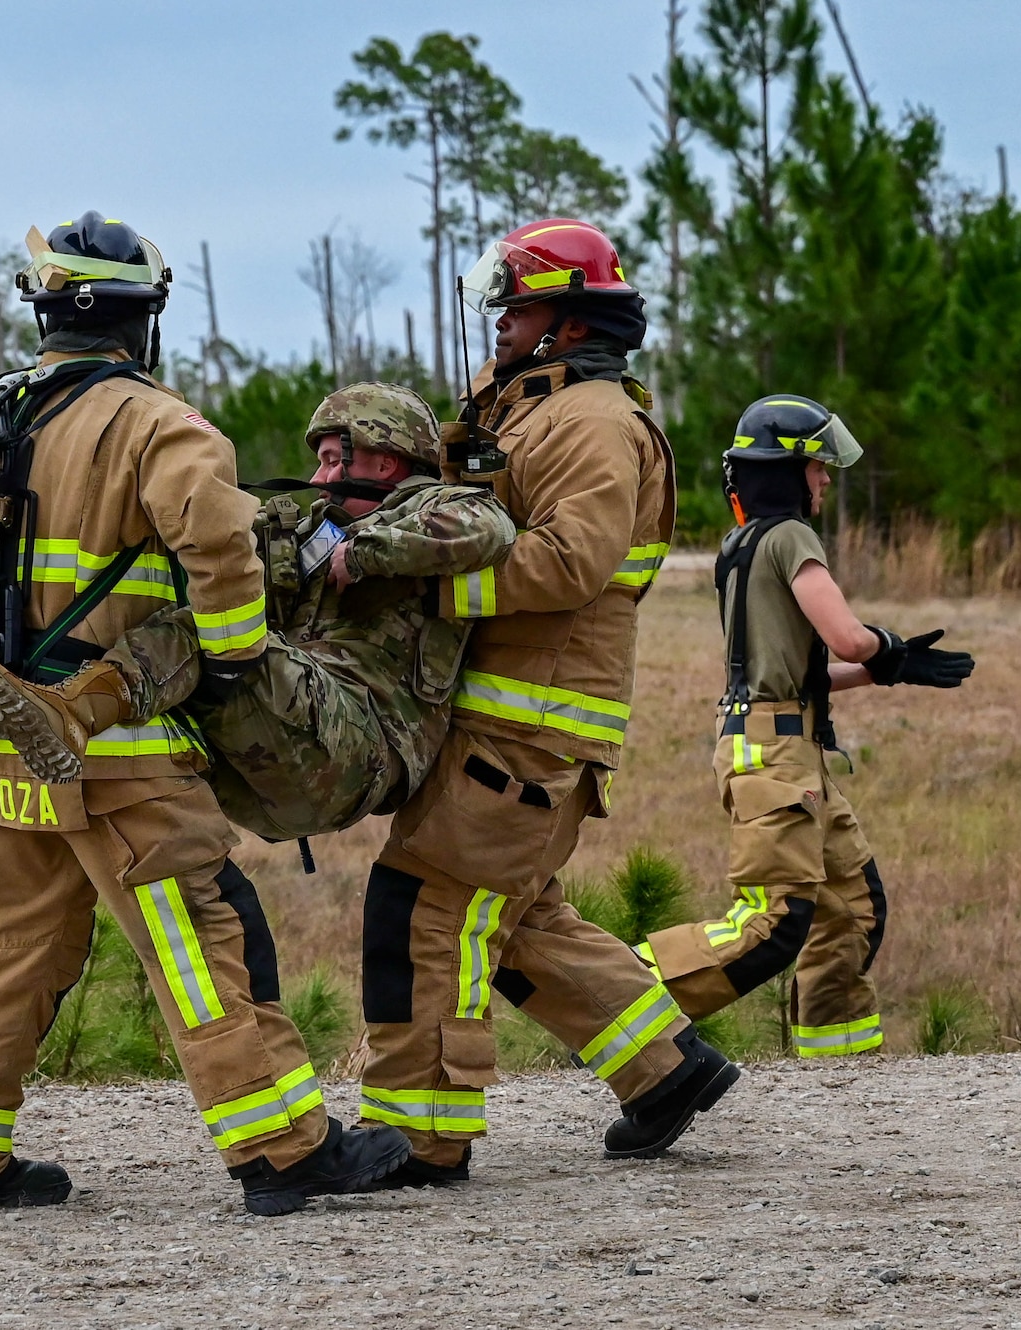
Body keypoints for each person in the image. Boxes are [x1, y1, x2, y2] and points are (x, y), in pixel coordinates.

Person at [0, 212, 410, 1217]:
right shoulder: (160, 423)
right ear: (141, 318)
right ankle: (282, 1146)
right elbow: (220, 552)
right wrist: (239, 652)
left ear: (48, 312)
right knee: (204, 939)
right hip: (121, 753)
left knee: (7, 948)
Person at [356, 218, 738, 1186]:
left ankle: (421, 1136)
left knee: (426, 906)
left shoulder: (592, 421)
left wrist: (420, 586)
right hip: (507, 707)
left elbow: (571, 560)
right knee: (512, 911)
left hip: (532, 714)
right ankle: (662, 1072)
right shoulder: (531, 408)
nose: (498, 318)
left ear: (566, 320)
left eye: (515, 301)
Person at [0, 381, 516, 846]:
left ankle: (67, 716)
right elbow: (236, 547)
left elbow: (485, 529)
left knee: (215, 627)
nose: (318, 477)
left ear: (383, 463)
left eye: (332, 459)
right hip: (291, 740)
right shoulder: (315, 524)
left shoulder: (440, 508)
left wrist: (366, 549)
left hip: (360, 749)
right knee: (151, 613)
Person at [637, 394, 973, 1057]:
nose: (824, 479)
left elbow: (800, 673)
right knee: (772, 924)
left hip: (782, 749)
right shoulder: (789, 537)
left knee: (849, 908)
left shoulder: (743, 546)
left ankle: (837, 1072)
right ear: (786, 471)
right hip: (776, 760)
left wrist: (892, 669)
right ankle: (614, 995)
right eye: (817, 467)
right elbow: (847, 639)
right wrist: (886, 647)